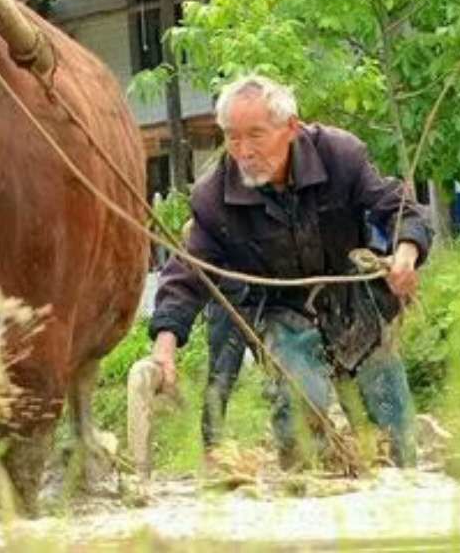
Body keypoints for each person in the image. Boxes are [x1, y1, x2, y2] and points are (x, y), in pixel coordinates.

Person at [148, 73, 430, 467]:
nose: (242, 150)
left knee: (391, 427)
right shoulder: (214, 196)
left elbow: (398, 207)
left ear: (291, 128)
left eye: (256, 135)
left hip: (351, 300)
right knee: (301, 412)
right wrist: (164, 346)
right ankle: (305, 491)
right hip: (280, 312)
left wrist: (406, 253)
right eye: (232, 137)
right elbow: (187, 273)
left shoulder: (339, 154)